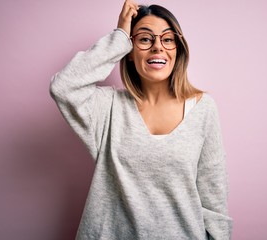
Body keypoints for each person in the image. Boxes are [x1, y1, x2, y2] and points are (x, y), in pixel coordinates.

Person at [50, 0, 233, 239]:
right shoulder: (107, 107)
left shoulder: (203, 108)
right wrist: (120, 36)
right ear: (129, 52)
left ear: (177, 50)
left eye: (167, 39)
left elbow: (214, 198)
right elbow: (64, 87)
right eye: (145, 39)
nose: (158, 47)